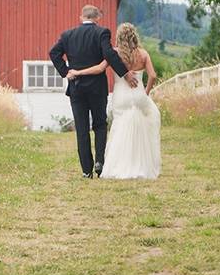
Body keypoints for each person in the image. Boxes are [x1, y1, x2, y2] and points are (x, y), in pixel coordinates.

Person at [49, 5, 137, 178]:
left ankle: (86, 170)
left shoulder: (68, 35)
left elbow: (53, 53)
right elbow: (110, 55)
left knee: (82, 128)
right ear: (97, 17)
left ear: (81, 16)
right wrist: (125, 74)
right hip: (97, 87)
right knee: (99, 124)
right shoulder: (102, 32)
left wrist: (66, 72)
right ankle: (99, 162)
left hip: (76, 87)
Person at [66, 22, 161, 180]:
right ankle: (140, 164)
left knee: (119, 128)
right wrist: (146, 92)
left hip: (121, 96)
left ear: (119, 37)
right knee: (140, 129)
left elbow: (99, 69)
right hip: (139, 95)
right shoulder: (143, 54)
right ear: (134, 36)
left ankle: (119, 165)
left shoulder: (114, 53)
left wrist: (78, 72)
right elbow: (152, 75)